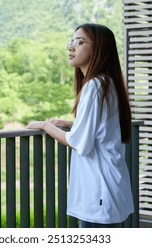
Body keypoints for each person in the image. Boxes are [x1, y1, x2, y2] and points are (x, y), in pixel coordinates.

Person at [27, 23, 134, 228]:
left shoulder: (95, 86)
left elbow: (78, 142)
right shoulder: (108, 83)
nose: (71, 47)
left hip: (99, 192)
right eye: (72, 41)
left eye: (80, 42)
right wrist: (69, 123)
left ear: (99, 49)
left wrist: (45, 125)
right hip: (111, 187)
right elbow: (101, 127)